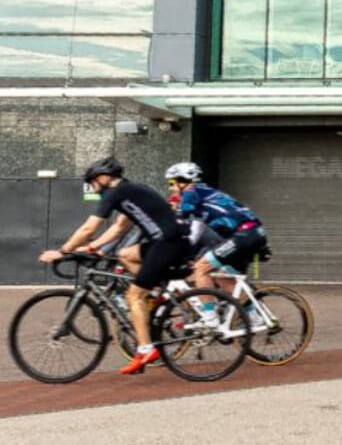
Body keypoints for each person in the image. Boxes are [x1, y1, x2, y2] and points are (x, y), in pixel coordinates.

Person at [39, 158, 191, 375]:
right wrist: (94, 248)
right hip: (167, 241)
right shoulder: (128, 191)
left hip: (167, 243)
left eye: (92, 183)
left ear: (103, 178)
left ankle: (146, 349)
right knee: (125, 254)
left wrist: (62, 251)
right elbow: (120, 227)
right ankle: (155, 292)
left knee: (133, 296)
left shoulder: (115, 193)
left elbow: (89, 228)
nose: (93, 189)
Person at [166, 162, 267, 327]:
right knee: (221, 277)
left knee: (201, 268)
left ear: (184, 181)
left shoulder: (191, 193)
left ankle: (210, 318)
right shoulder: (203, 191)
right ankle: (254, 316)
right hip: (251, 233)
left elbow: (180, 221)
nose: (170, 188)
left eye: (172, 182)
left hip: (244, 235)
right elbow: (195, 229)